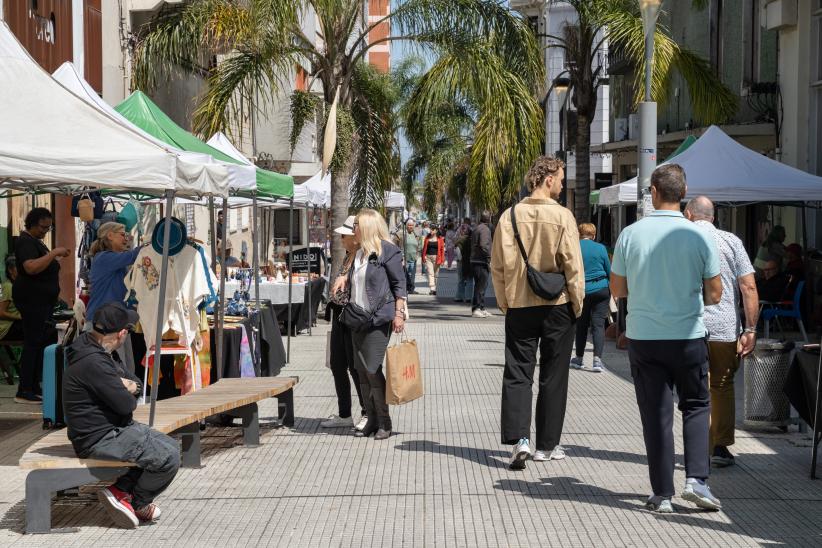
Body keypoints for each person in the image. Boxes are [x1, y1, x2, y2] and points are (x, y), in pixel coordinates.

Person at [610, 164, 723, 513]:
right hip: (688, 335)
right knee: (696, 404)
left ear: (654, 193)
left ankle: (662, 494)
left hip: (645, 337)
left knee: (656, 413)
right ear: (684, 193)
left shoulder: (630, 234)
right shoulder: (700, 236)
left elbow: (618, 289)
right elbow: (715, 293)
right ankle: (697, 481)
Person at [491, 155, 584, 470]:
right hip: (558, 304)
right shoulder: (563, 216)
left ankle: (520, 440)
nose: (562, 185)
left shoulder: (509, 217)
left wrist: (505, 301)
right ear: (548, 179)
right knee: (554, 375)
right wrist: (577, 303)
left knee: (518, 372)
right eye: (561, 180)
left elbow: (497, 266)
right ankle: (547, 446)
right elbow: (573, 264)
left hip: (520, 304)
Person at [63, 302, 180, 528]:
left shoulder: (98, 350)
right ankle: (134, 500)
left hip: (113, 429)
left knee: (171, 446)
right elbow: (127, 404)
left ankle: (121, 491)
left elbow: (135, 383)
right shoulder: (94, 362)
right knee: (168, 458)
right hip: (99, 438)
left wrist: (127, 385)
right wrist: (125, 387)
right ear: (122, 333)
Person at [685, 196, 759, 468]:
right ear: (713, 217)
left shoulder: (681, 239)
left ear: (688, 214)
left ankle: (697, 447)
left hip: (689, 326)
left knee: (695, 388)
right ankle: (720, 447)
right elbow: (748, 287)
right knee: (722, 385)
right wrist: (750, 328)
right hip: (724, 327)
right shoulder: (731, 241)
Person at [349, 209, 407, 440]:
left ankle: (384, 421)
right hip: (357, 318)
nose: (353, 229)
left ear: (367, 227)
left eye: (356, 225)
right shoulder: (358, 253)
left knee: (372, 369)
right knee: (361, 371)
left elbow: (399, 284)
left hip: (378, 318)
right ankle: (371, 418)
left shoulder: (388, 251)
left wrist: (399, 313)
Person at [13, 208, 70, 404]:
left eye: (48, 228)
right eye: (43, 227)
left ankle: (33, 385)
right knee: (32, 343)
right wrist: (53, 253)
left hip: (42, 302)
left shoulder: (36, 242)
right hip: (32, 301)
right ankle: (24, 389)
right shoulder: (25, 242)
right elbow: (30, 267)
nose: (45, 231)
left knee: (40, 342)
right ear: (32, 224)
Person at [322, 216, 367, 431]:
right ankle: (344, 413)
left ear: (355, 237)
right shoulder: (349, 256)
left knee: (355, 366)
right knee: (337, 364)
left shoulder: (362, 257)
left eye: (344, 236)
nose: (341, 239)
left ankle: (367, 412)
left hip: (352, 316)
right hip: (339, 315)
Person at [570, 223, 611, 373]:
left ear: (579, 234)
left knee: (581, 325)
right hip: (601, 289)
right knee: (598, 325)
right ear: (593, 235)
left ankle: (579, 359)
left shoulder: (574, 247)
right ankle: (597, 361)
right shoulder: (601, 248)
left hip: (582, 291)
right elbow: (608, 270)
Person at [471, 211, 493, 318]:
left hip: (476, 260)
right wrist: (489, 258)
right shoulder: (485, 229)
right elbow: (484, 245)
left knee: (481, 285)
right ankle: (476, 308)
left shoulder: (477, 228)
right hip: (481, 261)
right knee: (481, 286)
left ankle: (481, 307)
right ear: (489, 218)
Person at [0, 256, 23, 342]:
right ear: (10, 270)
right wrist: (20, 317)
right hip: (6, 328)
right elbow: (1, 313)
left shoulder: (15, 285)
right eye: (18, 267)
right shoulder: (8, 286)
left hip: (13, 324)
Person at [422, 225, 445, 295]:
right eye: (430, 229)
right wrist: (423, 257)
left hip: (437, 258)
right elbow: (424, 248)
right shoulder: (427, 238)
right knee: (430, 273)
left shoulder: (440, 239)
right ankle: (432, 288)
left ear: (436, 230)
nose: (431, 231)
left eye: (432, 229)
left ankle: (434, 288)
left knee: (436, 274)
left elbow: (442, 250)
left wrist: (442, 260)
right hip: (428, 257)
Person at [453, 233, 474, 303]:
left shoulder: (459, 242)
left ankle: (459, 297)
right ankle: (468, 297)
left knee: (461, 279)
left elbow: (458, 252)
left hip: (462, 263)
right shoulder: (472, 241)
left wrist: (460, 259)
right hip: (470, 261)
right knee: (470, 279)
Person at [402, 219, 420, 294]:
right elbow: (400, 246)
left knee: (412, 275)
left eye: (412, 225)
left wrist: (417, 255)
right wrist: (402, 257)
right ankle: (405, 289)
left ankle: (411, 289)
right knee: (405, 274)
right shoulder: (403, 234)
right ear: (406, 226)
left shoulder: (415, 235)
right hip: (405, 258)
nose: (411, 227)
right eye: (409, 225)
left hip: (413, 258)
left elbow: (418, 246)